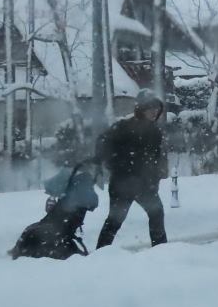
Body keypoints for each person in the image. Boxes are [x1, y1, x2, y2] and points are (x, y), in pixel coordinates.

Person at [95, 89, 168, 249]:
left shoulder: (155, 131)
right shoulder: (124, 126)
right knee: (115, 220)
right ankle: (100, 255)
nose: (155, 112)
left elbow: (153, 159)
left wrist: (155, 178)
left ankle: (161, 251)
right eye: (150, 108)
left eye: (157, 108)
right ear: (141, 109)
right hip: (123, 184)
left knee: (156, 213)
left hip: (144, 184)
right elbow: (102, 143)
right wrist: (113, 164)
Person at [9, 161, 100, 260]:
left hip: (61, 223)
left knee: (33, 231)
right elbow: (92, 203)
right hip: (64, 221)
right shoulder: (78, 187)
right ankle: (22, 250)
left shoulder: (77, 186)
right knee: (32, 229)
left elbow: (51, 187)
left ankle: (23, 251)